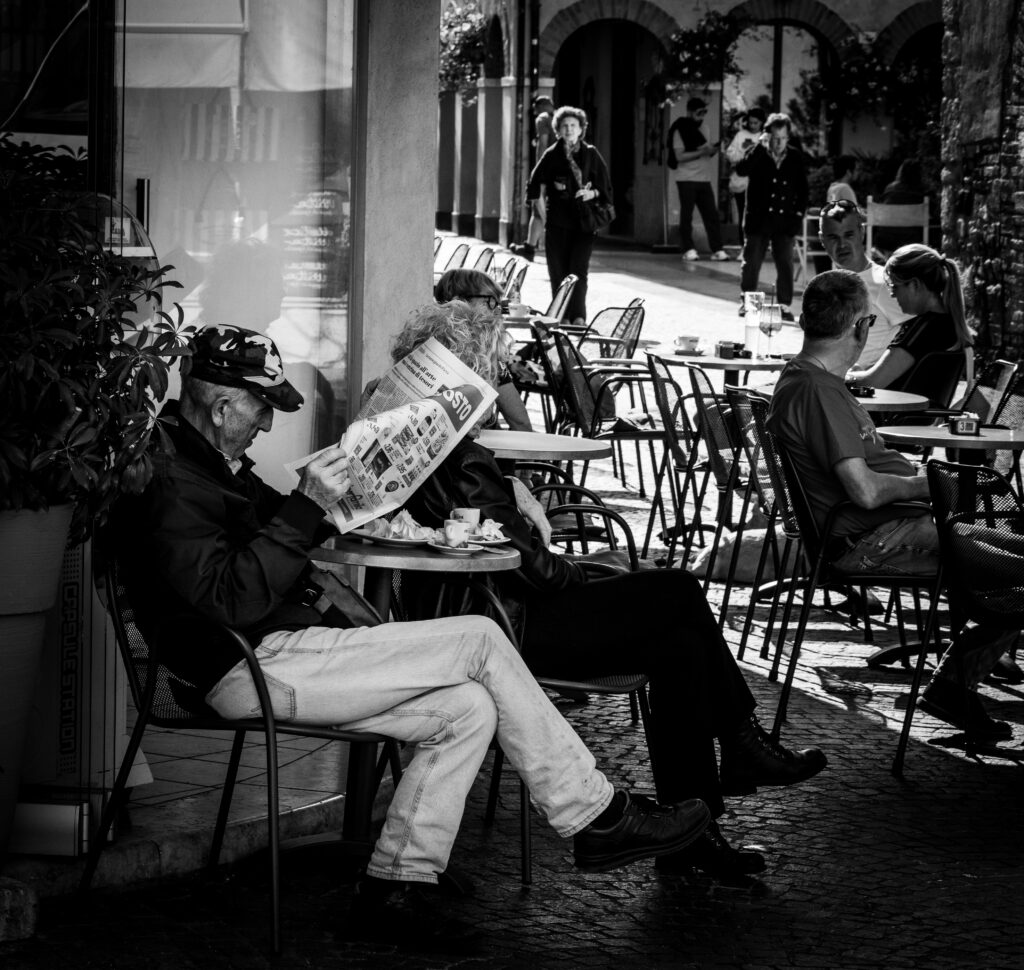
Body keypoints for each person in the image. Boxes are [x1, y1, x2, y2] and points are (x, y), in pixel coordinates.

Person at [110, 323, 712, 952]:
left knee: (468, 708)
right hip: (247, 667)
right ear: (221, 405)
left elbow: (284, 534)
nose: (266, 423)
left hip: (286, 653)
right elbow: (233, 597)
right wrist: (307, 505)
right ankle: (596, 815)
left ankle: (395, 888)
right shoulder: (174, 481)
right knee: (480, 638)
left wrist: (348, 495)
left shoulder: (211, 464)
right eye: (261, 407)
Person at [397, 301, 829, 880]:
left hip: (496, 611)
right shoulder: (462, 458)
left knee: (680, 644)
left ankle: (697, 828)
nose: (498, 382)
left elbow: (515, 554)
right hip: (507, 626)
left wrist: (544, 525)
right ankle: (741, 742)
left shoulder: (428, 438)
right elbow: (538, 572)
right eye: (492, 369)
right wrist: (596, 572)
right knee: (677, 589)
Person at [766, 270, 1018, 739]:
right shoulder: (818, 390)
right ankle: (953, 684)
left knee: (1013, 555)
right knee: (1014, 569)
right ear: (860, 328)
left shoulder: (810, 380)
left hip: (888, 528)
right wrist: (929, 484)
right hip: (873, 538)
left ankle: (955, 680)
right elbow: (865, 491)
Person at [525, 105, 612, 327]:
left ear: (581, 129)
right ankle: (561, 314)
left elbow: (606, 188)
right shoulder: (551, 155)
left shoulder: (591, 154)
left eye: (573, 125)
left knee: (578, 270)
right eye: (564, 125)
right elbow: (534, 186)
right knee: (558, 272)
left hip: (584, 224)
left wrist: (591, 193)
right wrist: (543, 217)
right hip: (557, 223)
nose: (569, 129)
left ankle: (579, 316)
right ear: (558, 130)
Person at [846, 243, 975, 393]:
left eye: (895, 286)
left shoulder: (922, 330)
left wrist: (842, 376)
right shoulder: (948, 325)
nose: (892, 294)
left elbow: (872, 381)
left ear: (914, 284)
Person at [433, 268, 534, 432]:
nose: (497, 310)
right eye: (490, 301)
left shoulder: (423, 339)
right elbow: (520, 422)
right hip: (478, 443)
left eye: (498, 303)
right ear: (460, 301)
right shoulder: (484, 350)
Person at [817, 199, 910, 367]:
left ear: (862, 232)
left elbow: (920, 338)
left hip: (865, 380)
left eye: (849, 235)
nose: (842, 245)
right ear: (822, 239)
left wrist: (876, 373)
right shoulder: (823, 288)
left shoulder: (884, 283)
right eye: (833, 237)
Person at [735, 112, 808, 321]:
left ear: (788, 137)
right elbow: (741, 169)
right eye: (775, 138)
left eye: (783, 138)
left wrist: (797, 216)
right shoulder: (757, 152)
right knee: (752, 261)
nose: (779, 143)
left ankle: (784, 305)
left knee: (785, 262)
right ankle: (748, 302)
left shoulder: (795, 156)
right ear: (767, 136)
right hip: (758, 218)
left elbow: (803, 190)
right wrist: (760, 146)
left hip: (784, 220)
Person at [666, 97, 730, 262]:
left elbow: (706, 150)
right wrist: (702, 152)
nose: (701, 116)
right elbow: (679, 156)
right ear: (690, 112)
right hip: (686, 178)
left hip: (704, 178)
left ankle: (717, 249)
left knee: (711, 215)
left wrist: (714, 149)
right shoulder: (680, 129)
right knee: (687, 215)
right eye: (698, 113)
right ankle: (688, 248)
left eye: (704, 113)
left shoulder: (704, 128)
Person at [510, 94, 556, 262]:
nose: (535, 112)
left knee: (539, 205)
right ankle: (529, 247)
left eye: (535, 109)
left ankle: (534, 247)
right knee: (541, 209)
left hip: (547, 171)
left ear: (540, 106)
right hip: (561, 170)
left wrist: (538, 169)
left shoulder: (543, 119)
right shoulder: (561, 119)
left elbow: (543, 144)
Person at [725, 107, 765, 240]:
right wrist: (744, 155)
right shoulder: (741, 135)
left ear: (762, 122)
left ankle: (758, 243)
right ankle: (743, 243)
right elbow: (730, 154)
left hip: (759, 182)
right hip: (742, 181)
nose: (752, 125)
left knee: (758, 214)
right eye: (750, 122)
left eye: (756, 123)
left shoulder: (765, 137)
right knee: (743, 213)